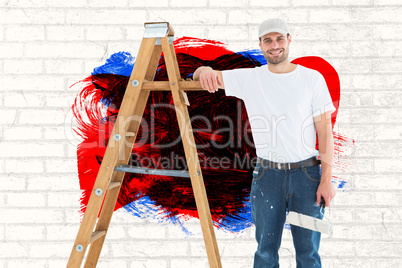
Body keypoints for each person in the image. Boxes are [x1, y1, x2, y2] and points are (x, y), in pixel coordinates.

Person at [193, 18, 336, 267]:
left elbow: (324, 132)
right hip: (267, 177)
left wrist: (326, 180)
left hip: (308, 177)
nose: (274, 45)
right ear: (260, 44)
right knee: (266, 252)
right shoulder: (251, 78)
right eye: (268, 40)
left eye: (279, 39)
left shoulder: (312, 79)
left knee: (308, 253)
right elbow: (203, 75)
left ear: (289, 40)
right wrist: (203, 70)